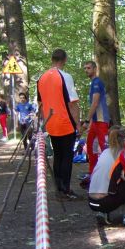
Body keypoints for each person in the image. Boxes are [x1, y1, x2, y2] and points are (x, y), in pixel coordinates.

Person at [37, 49, 80, 200]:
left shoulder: (41, 78)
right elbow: (72, 104)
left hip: (51, 123)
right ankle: (65, 190)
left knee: (58, 156)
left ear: (52, 59)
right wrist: (78, 124)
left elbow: (41, 104)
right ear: (64, 60)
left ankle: (59, 188)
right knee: (67, 157)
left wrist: (44, 123)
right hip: (65, 122)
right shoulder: (65, 77)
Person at [87, 126, 125, 225]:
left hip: (91, 200)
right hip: (105, 202)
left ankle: (103, 212)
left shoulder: (105, 152)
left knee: (115, 177)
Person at [83, 60, 111, 176]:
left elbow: (95, 103)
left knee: (104, 147)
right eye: (85, 68)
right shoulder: (93, 83)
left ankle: (110, 173)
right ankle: (93, 172)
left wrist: (86, 121)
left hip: (102, 120)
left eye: (88, 68)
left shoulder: (97, 82)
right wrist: (90, 123)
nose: (86, 70)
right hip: (95, 121)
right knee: (90, 146)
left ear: (95, 69)